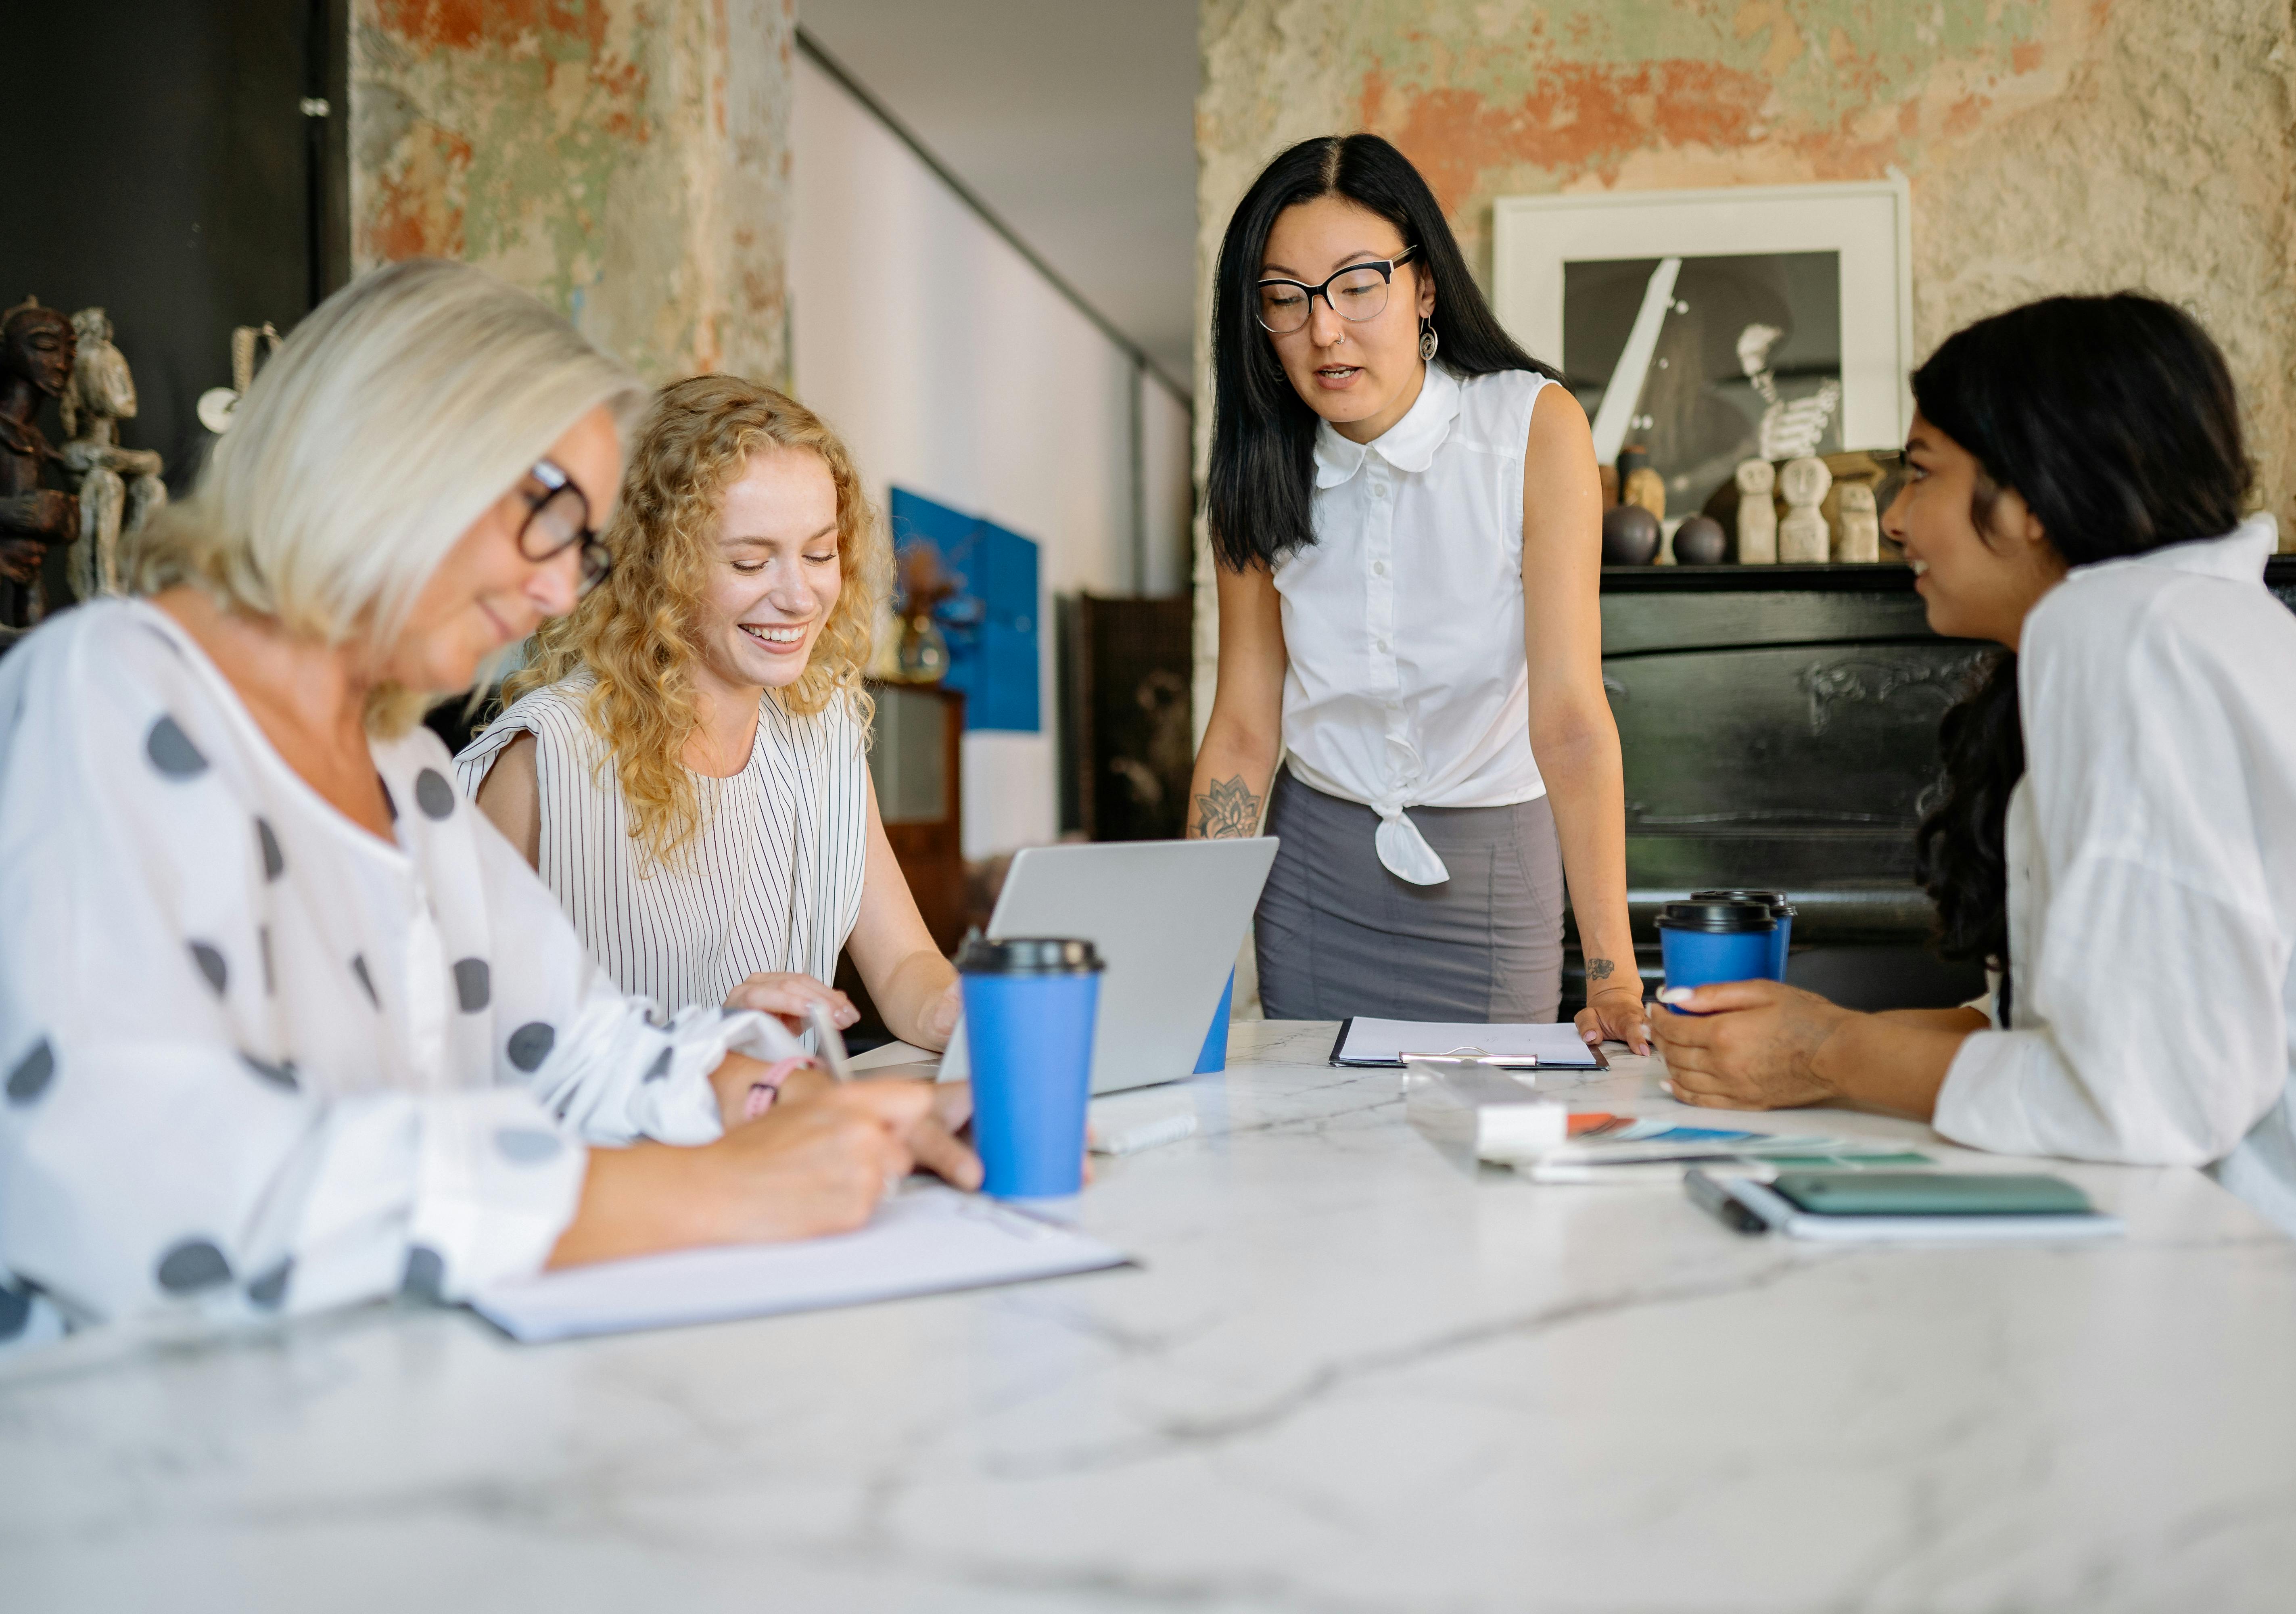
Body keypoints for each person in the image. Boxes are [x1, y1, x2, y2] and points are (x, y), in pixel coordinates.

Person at [0, 260, 976, 1352]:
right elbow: (137, 1172)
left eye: (586, 546)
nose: (563, 591)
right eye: (551, 520)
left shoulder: (403, 774)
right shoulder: (109, 692)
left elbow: (578, 1045)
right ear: (401, 452)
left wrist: (785, 1104)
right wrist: (712, 1193)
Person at [1649, 293, 2296, 1312]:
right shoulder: (2179, 622)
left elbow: (2142, 1098)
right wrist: (1816, 1035)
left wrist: (1825, 1050)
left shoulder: (2134, 637)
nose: (1892, 518)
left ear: (2036, 497)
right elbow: (2080, 1033)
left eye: (1920, 473)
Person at [1188, 134, 1650, 1053]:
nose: (1324, 330)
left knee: (1486, 1166)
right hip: (1313, 872)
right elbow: (1243, 728)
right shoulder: (1257, 466)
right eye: (1285, 299)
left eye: (1358, 286)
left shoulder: (1532, 427)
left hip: (1491, 863)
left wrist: (1614, 973)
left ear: (1424, 284)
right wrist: (1187, 956)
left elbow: (1566, 712)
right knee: (1317, 1157)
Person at [458, 374, 960, 1050]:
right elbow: (475, 1048)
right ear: (657, 567)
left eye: (820, 553)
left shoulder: (827, 729)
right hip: (625, 1155)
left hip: (781, 1143)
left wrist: (962, 1014)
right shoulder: (544, 758)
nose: (801, 597)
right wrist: (701, 1053)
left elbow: (903, 964)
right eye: (751, 563)